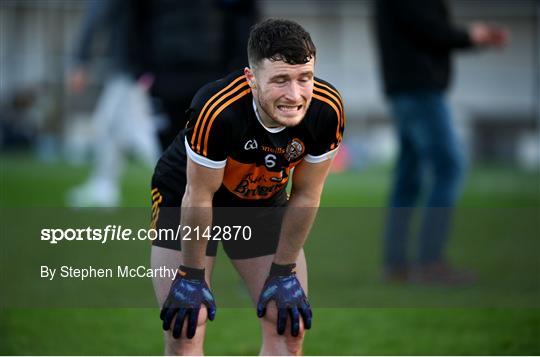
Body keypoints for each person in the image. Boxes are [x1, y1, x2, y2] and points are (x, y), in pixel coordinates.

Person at [150, 19, 345, 355]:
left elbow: (306, 193)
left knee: (288, 323)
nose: (295, 95)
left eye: (305, 78)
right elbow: (199, 194)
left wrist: (284, 271)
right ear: (251, 79)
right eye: (281, 80)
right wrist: (192, 276)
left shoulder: (326, 110)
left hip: (259, 201)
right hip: (187, 193)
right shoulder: (217, 108)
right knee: (186, 325)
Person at [374, 0, 508, 283]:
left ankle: (396, 263)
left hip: (406, 86)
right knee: (449, 167)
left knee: (408, 177)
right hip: (419, 87)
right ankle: (430, 263)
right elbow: (428, 30)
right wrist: (471, 36)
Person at [66, 0, 160, 207]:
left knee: (134, 132)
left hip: (132, 67)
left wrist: (80, 60)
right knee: (116, 128)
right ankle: (104, 186)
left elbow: (97, 14)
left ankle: (182, 182)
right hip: (141, 65)